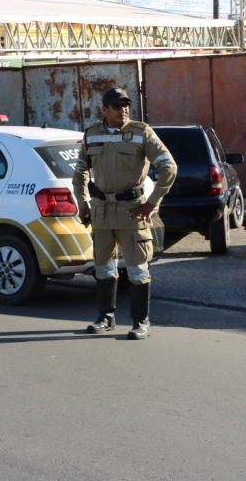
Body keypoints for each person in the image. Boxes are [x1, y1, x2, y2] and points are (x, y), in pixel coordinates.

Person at [72, 87, 177, 340]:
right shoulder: (92, 134)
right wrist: (83, 203)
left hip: (132, 211)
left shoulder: (141, 133)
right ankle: (105, 317)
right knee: (103, 267)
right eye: (117, 106)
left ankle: (141, 322)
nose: (123, 110)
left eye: (126, 105)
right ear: (104, 109)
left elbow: (169, 167)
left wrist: (152, 203)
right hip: (101, 211)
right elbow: (80, 172)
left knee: (137, 268)